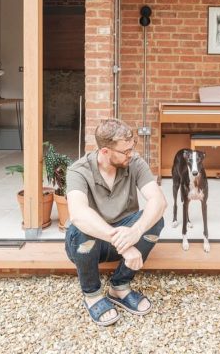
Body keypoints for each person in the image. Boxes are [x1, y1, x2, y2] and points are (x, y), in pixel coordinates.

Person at [65, 118, 167, 326]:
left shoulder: (134, 162)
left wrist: (136, 232)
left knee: (155, 219)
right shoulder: (78, 170)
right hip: (90, 244)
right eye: (125, 151)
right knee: (80, 228)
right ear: (105, 151)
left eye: (132, 148)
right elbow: (78, 213)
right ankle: (92, 294)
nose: (131, 154)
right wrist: (126, 244)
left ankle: (119, 287)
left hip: (123, 236)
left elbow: (159, 200)